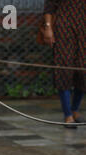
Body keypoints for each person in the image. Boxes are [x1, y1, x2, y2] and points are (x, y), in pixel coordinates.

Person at [42, 0, 85, 128]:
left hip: (84, 31)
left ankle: (75, 110)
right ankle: (68, 115)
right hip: (64, 31)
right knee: (63, 70)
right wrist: (48, 27)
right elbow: (49, 8)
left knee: (83, 72)